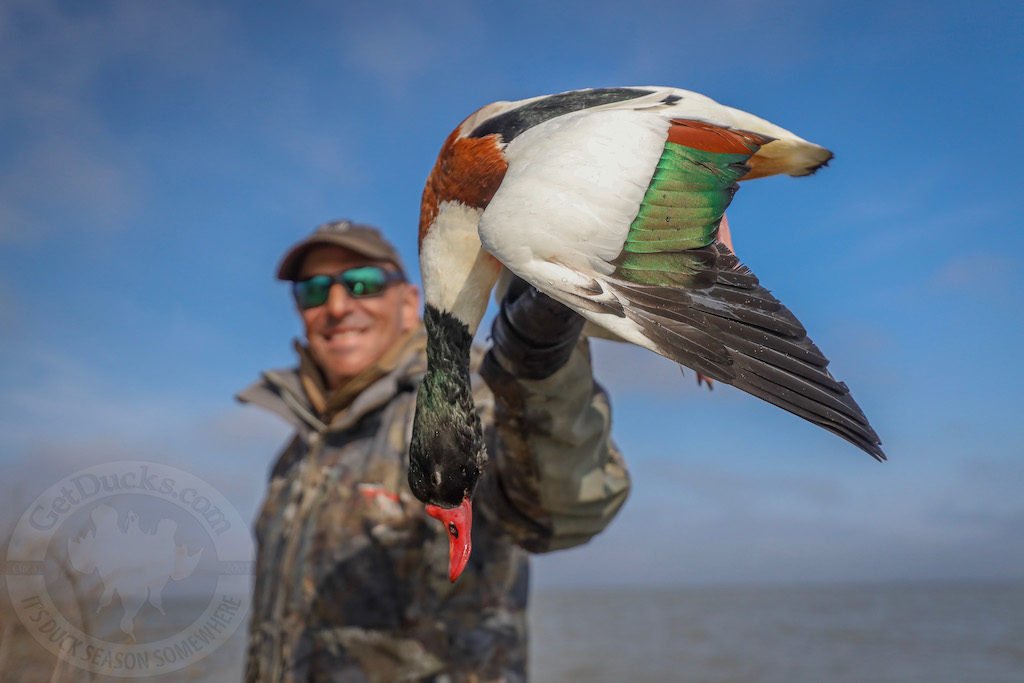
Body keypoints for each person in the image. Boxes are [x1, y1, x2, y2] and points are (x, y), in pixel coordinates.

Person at [238, 220, 630, 682]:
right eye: (314, 290)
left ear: (408, 304)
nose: (337, 306)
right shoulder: (297, 449)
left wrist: (539, 369)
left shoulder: (472, 396)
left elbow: (567, 505)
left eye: (362, 284)